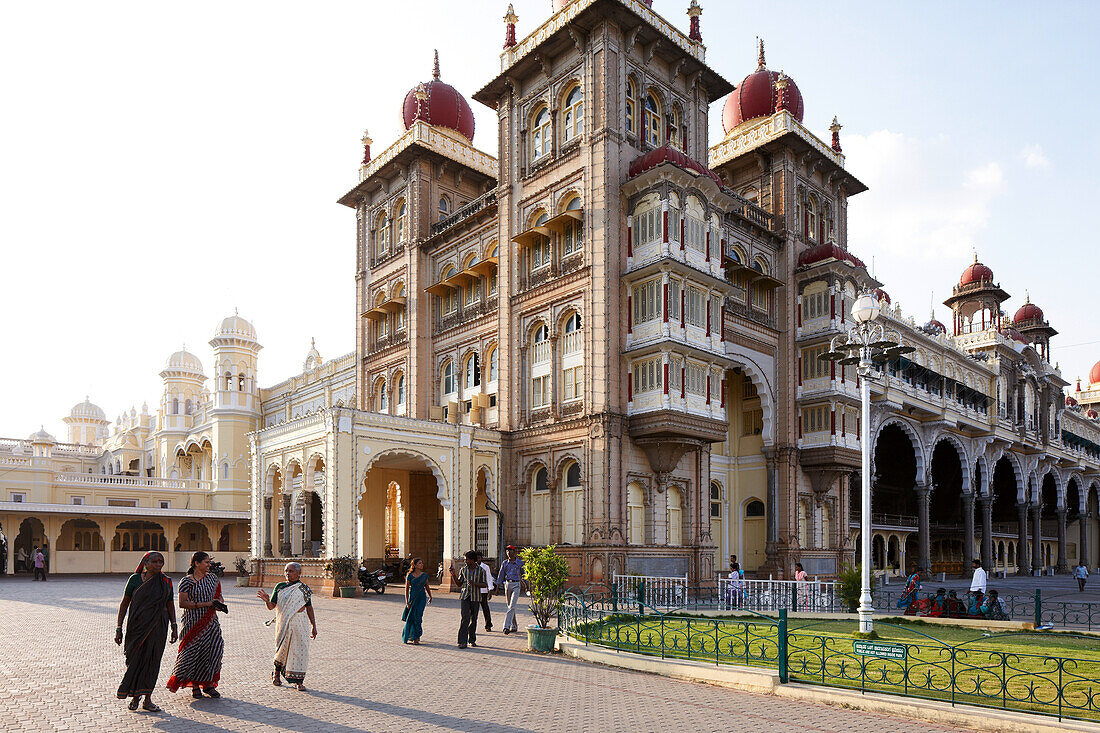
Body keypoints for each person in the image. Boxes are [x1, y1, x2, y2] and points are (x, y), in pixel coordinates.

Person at [115, 552, 177, 712]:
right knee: (135, 660)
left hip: (158, 626)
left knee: (152, 661)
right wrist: (119, 628)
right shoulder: (134, 580)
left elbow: (170, 605)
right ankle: (135, 696)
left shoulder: (166, 582)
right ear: (145, 563)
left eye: (161, 562)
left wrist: (174, 626)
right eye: (154, 562)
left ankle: (147, 699)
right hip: (136, 628)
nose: (158, 565)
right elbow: (124, 604)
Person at [167, 551, 225, 698]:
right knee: (194, 654)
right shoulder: (186, 581)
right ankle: (195, 687)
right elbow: (182, 603)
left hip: (211, 622)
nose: (209, 565)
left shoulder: (213, 578)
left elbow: (219, 596)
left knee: (214, 650)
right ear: (196, 563)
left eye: (209, 562)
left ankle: (208, 684)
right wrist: (207, 604)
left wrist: (219, 604)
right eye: (206, 562)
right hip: (193, 622)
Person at [257, 562, 317, 691]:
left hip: (300, 623)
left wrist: (314, 626)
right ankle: (276, 674)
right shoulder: (280, 587)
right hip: (283, 623)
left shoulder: (303, 589)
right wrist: (267, 600)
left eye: (291, 571)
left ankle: (298, 681)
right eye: (286, 571)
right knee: (281, 649)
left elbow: (309, 608)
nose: (287, 574)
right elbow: (271, 606)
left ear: (299, 573)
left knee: (299, 651)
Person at [448, 550, 487, 648]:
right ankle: (462, 641)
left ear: (473, 560)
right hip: (465, 596)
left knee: (473, 619)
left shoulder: (481, 570)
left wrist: (475, 583)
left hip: (476, 597)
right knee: (465, 618)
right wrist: (453, 574)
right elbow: (459, 584)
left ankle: (472, 639)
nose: (466, 561)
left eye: (467, 559)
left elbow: (484, 584)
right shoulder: (463, 570)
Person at [495, 545, 525, 635]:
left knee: (512, 606)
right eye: (507, 551)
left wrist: (527, 585)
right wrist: (497, 587)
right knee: (510, 606)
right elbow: (501, 575)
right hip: (507, 584)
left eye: (510, 551)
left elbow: (524, 574)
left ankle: (506, 626)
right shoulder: (505, 563)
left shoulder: (520, 563)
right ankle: (514, 626)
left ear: (514, 552)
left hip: (516, 584)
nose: (508, 553)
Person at [402, 557, 432, 644]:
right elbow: (406, 589)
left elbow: (427, 586)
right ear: (414, 565)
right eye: (419, 563)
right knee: (412, 617)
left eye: (422, 563)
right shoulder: (410, 576)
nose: (422, 564)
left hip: (422, 598)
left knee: (418, 617)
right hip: (413, 598)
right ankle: (412, 636)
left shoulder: (424, 575)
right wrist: (407, 601)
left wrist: (430, 596)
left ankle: (416, 636)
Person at [477, 552, 494, 632]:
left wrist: (490, 590)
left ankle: (488, 624)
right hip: (475, 592)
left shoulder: (485, 567)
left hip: (483, 591)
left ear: (481, 558)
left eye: (479, 558)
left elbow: (489, 578)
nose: (477, 560)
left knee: (485, 608)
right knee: (473, 610)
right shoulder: (473, 567)